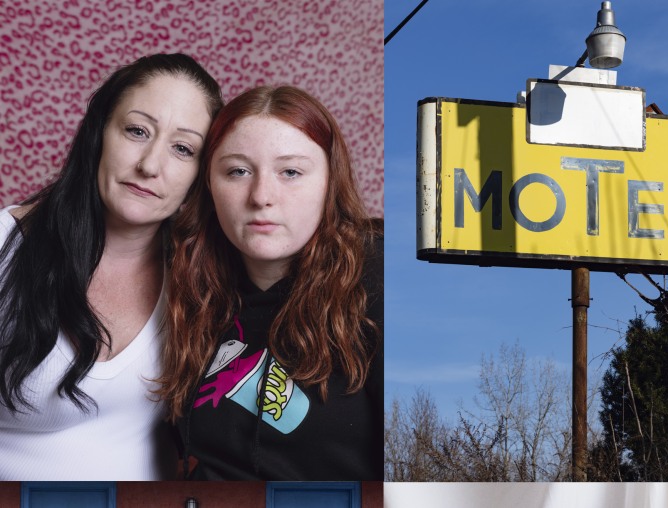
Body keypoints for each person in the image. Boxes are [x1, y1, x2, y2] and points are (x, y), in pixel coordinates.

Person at [0, 53, 224, 480]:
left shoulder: (202, 276)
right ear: (100, 132)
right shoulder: (5, 247)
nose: (150, 165)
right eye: (137, 131)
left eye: (182, 148)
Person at [161, 85, 383, 480]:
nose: (262, 196)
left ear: (330, 183)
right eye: (238, 171)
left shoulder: (377, 276)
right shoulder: (190, 281)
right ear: (208, 185)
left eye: (291, 172)